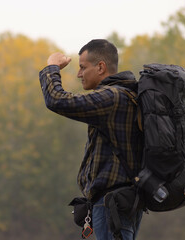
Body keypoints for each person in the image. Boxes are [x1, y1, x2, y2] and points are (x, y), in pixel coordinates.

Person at [38, 39, 143, 240]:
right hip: (123, 203)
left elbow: (57, 100)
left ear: (101, 67)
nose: (79, 74)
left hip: (110, 204)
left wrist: (51, 67)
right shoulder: (129, 96)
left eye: (82, 67)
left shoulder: (111, 98)